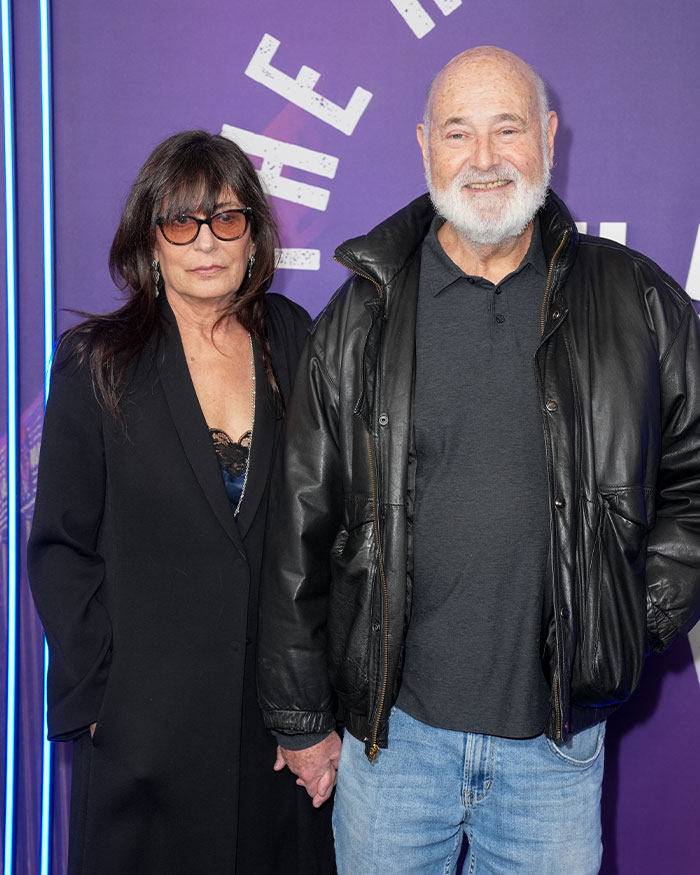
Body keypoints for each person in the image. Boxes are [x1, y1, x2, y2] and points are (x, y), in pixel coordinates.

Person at [257, 46, 700, 874]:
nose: (486, 158)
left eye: (508, 128)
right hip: (393, 748)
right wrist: (298, 717)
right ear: (425, 145)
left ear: (549, 135)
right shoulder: (361, 315)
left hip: (554, 755)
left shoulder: (635, 299)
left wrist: (630, 620)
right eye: (460, 133)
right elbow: (298, 522)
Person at [27, 131, 335, 875]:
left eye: (226, 218)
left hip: (273, 730)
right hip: (144, 727)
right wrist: (100, 693)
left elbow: (331, 529)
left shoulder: (297, 343)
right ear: (150, 237)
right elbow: (61, 546)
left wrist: (317, 707)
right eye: (181, 221)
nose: (206, 240)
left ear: (254, 236)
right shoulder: (97, 362)